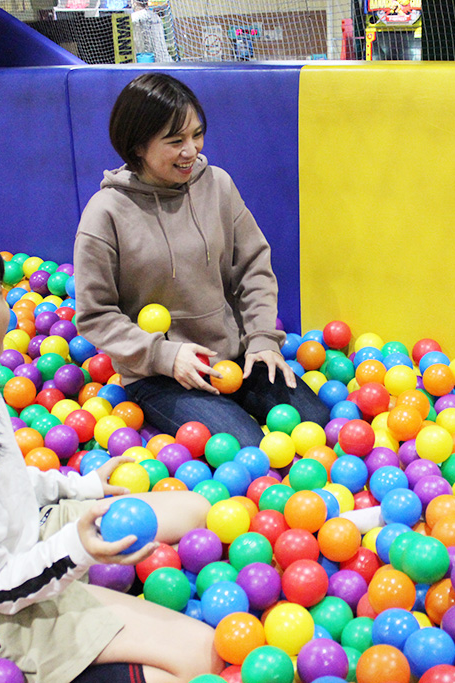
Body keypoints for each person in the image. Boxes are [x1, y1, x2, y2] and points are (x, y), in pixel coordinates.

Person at [0, 229, 221, 683]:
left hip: (25, 534)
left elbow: (4, 478)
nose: (10, 300)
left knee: (197, 509)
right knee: (202, 658)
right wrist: (76, 551)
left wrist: (78, 488)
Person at [74, 72, 329, 448]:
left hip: (235, 356)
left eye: (197, 135)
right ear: (138, 146)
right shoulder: (106, 213)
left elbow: (254, 266)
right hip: (160, 373)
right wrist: (162, 354)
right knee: (242, 448)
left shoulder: (218, 185)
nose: (191, 150)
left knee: (317, 422)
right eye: (175, 141)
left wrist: (261, 339)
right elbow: (95, 314)